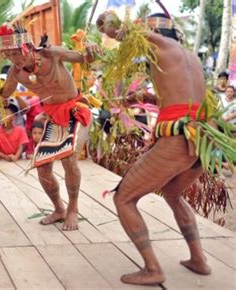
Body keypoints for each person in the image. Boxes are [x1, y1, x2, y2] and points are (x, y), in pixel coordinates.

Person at [97, 11, 213, 285]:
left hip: (177, 139)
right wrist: (144, 96)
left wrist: (103, 22)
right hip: (202, 140)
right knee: (173, 194)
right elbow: (182, 99)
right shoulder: (190, 57)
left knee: (123, 198)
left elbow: (115, 27)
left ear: (155, 35)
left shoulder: (160, 44)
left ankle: (152, 269)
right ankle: (199, 260)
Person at [0, 21, 100, 231]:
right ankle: (59, 209)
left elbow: (83, 58)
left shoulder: (52, 54)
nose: (14, 60)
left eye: (16, 54)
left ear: (27, 48)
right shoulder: (15, 73)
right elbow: (1, 97)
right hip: (54, 117)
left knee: (69, 157)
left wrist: (91, 51)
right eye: (9, 55)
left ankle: (73, 208)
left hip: (76, 110)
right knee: (43, 167)